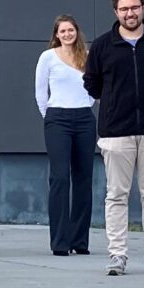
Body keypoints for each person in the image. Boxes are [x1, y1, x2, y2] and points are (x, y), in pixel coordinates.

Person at [84, 0, 144, 277]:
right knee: (116, 195)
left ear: (143, 8)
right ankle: (117, 256)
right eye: (124, 9)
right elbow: (92, 84)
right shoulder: (101, 46)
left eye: (134, 7)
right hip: (115, 131)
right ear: (115, 12)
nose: (129, 13)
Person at [35, 15, 95, 256]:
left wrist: (85, 105)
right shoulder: (48, 57)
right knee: (59, 178)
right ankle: (60, 241)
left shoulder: (87, 57)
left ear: (77, 32)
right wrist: (50, 115)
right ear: (56, 34)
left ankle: (79, 240)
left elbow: (94, 88)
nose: (67, 34)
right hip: (57, 118)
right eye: (63, 31)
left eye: (71, 30)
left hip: (84, 118)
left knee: (83, 179)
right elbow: (40, 92)